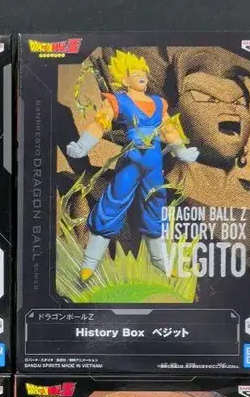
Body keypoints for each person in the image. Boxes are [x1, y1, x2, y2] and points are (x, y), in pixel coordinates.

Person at [66, 50, 199, 281]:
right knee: (111, 206)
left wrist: (182, 151)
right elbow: (99, 124)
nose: (142, 76)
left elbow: (169, 130)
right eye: (136, 73)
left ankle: (161, 263)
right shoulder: (117, 101)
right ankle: (89, 263)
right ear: (124, 79)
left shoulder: (158, 104)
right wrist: (82, 146)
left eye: (143, 73)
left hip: (153, 167)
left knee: (156, 209)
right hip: (130, 165)